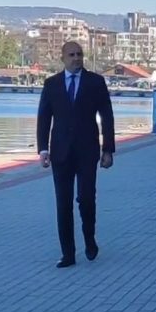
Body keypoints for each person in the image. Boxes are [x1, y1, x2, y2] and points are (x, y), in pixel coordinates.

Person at [36, 41, 115, 268]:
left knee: (86, 199)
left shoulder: (95, 82)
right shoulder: (52, 84)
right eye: (71, 54)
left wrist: (108, 149)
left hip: (87, 151)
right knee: (63, 204)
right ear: (62, 58)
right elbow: (44, 118)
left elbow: (107, 116)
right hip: (60, 152)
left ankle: (89, 239)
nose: (76, 58)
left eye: (79, 54)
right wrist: (43, 149)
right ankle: (68, 254)